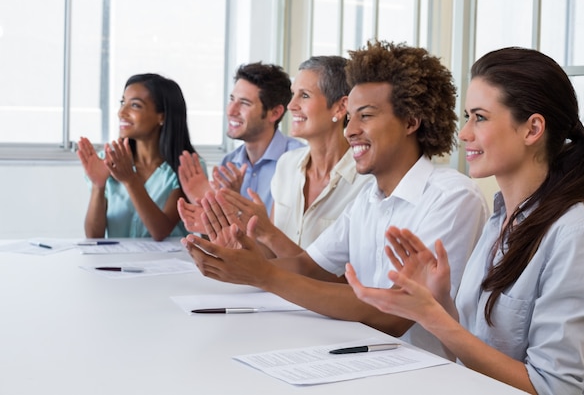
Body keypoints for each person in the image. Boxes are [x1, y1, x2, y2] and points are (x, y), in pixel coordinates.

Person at [181, 41, 489, 358]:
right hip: (361, 357)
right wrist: (243, 262)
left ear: (411, 122)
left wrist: (264, 274)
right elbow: (308, 265)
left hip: (423, 373)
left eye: (365, 116)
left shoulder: (452, 197)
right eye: (350, 117)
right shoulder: (368, 198)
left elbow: (394, 314)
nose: (350, 131)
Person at [344, 47, 584, 394]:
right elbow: (469, 357)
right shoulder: (500, 222)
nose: (463, 134)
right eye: (466, 116)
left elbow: (555, 389)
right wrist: (438, 303)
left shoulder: (576, 239)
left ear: (532, 128)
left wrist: (433, 317)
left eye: (480, 117)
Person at [178, 55, 372, 251]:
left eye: (304, 95)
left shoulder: (367, 180)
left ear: (340, 107)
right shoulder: (287, 164)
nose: (291, 105)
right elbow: (270, 255)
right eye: (293, 94)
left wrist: (263, 231)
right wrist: (229, 232)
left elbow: (336, 272)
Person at [77, 73, 203, 240]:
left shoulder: (188, 166)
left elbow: (160, 231)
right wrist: (98, 186)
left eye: (135, 105)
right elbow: (93, 236)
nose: (122, 112)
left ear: (162, 116)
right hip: (118, 263)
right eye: (123, 103)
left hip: (168, 264)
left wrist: (130, 180)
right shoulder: (107, 161)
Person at [177, 62, 304, 215]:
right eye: (232, 99)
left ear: (275, 113)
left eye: (244, 103)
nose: (231, 110)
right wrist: (207, 209)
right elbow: (219, 238)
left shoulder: (299, 162)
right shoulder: (228, 164)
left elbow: (283, 235)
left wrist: (235, 204)